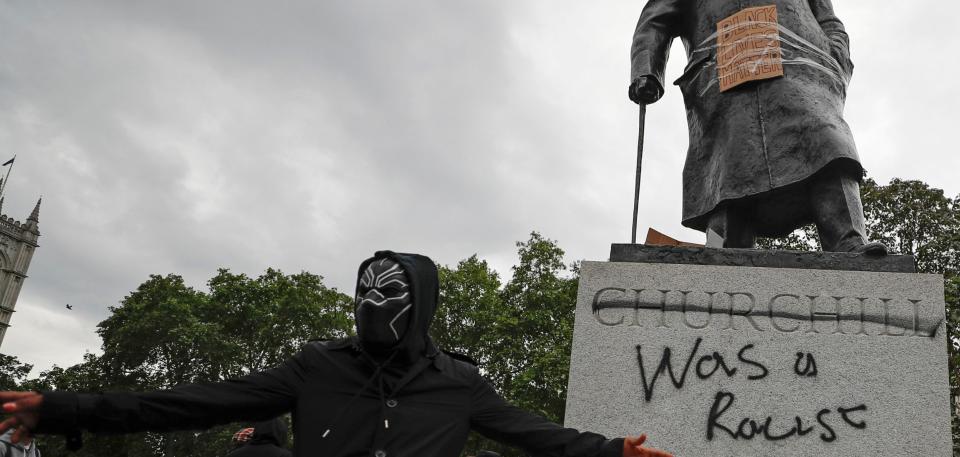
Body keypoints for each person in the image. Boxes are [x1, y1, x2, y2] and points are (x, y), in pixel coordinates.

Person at [0, 251, 672, 457]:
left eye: (392, 293)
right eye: (366, 292)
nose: (374, 306)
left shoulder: (459, 384)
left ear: (424, 303)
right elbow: (188, 401)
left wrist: (614, 451)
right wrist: (59, 406)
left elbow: (538, 434)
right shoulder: (316, 368)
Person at [628, 0, 886, 255]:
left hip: (803, 73)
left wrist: (835, 61)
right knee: (730, 171)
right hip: (729, 72)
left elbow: (831, 22)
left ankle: (849, 241)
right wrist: (647, 70)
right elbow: (657, 18)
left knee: (829, 142)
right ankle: (726, 251)